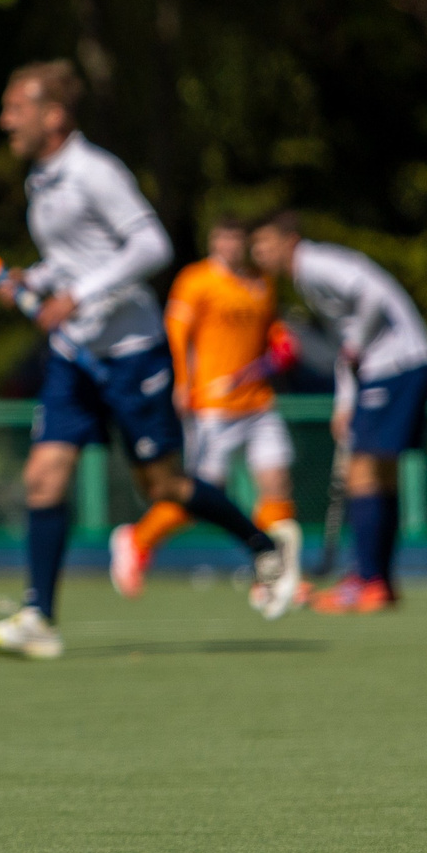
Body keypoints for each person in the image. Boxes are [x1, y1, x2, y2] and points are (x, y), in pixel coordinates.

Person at [0, 64, 298, 661]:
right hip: (75, 354)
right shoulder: (41, 182)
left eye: (17, 107)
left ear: (55, 115)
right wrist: (33, 278)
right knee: (44, 475)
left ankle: (261, 545)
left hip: (130, 354)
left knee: (164, 486)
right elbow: (73, 258)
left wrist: (80, 296)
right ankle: (39, 617)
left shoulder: (96, 172)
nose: (5, 120)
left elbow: (151, 246)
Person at [248, 213, 427, 612]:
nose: (258, 253)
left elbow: (371, 293)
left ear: (289, 240)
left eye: (264, 243)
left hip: (396, 364)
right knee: (381, 472)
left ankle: (366, 579)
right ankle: (379, 581)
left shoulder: (314, 265)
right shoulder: (306, 278)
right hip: (396, 365)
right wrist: (346, 402)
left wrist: (356, 344)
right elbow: (349, 347)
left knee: (363, 472)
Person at [111, 216, 302, 601]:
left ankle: (272, 574)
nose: (231, 247)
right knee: (199, 494)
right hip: (213, 406)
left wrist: (280, 349)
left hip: (259, 402)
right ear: (213, 241)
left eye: (237, 240)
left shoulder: (261, 283)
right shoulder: (195, 281)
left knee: (277, 482)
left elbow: (273, 335)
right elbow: (176, 335)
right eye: (223, 239)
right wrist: (180, 383)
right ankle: (138, 539)